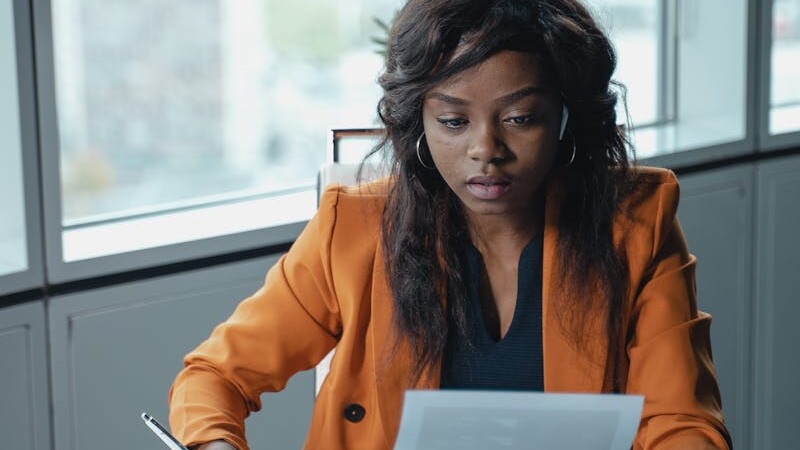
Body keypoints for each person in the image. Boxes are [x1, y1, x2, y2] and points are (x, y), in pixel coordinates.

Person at [168, 0, 732, 449]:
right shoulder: (354, 231)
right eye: (454, 121)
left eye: (520, 118)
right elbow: (214, 376)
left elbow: (683, 424)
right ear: (419, 121)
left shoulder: (634, 228)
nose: (486, 150)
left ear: (566, 118)